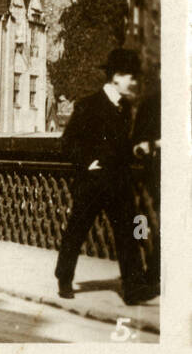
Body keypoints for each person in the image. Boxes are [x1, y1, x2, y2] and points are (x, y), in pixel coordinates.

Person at [54, 48, 157, 306]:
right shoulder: (88, 105)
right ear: (116, 77)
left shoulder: (125, 109)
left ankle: (132, 288)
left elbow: (123, 146)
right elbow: (67, 143)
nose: (133, 83)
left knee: (129, 233)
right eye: (130, 77)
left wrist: (137, 149)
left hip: (119, 182)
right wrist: (88, 163)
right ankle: (64, 279)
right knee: (77, 229)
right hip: (93, 182)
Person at [132, 85, 160, 289]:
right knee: (143, 223)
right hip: (151, 178)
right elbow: (135, 141)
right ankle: (150, 271)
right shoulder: (150, 103)